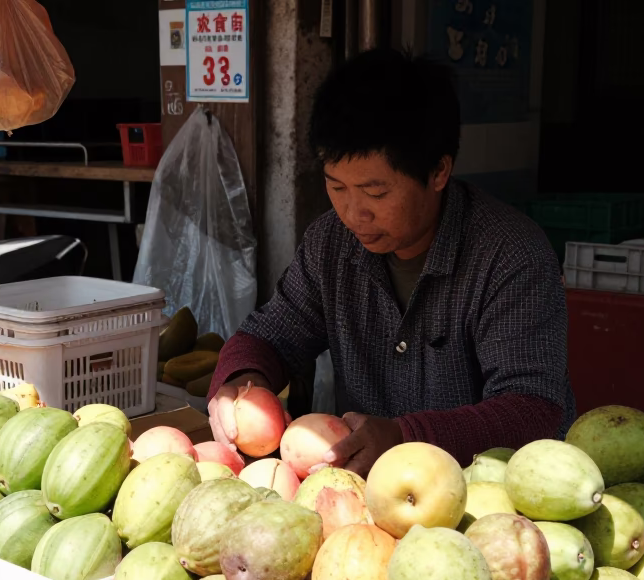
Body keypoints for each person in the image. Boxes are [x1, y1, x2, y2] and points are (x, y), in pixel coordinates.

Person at [207, 48, 575, 476]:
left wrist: (405, 437)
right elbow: (270, 336)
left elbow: (532, 409)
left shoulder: (510, 255)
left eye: (376, 193)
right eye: (337, 187)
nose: (354, 213)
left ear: (439, 171)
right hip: (366, 499)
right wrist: (240, 382)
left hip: (487, 499)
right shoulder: (330, 243)